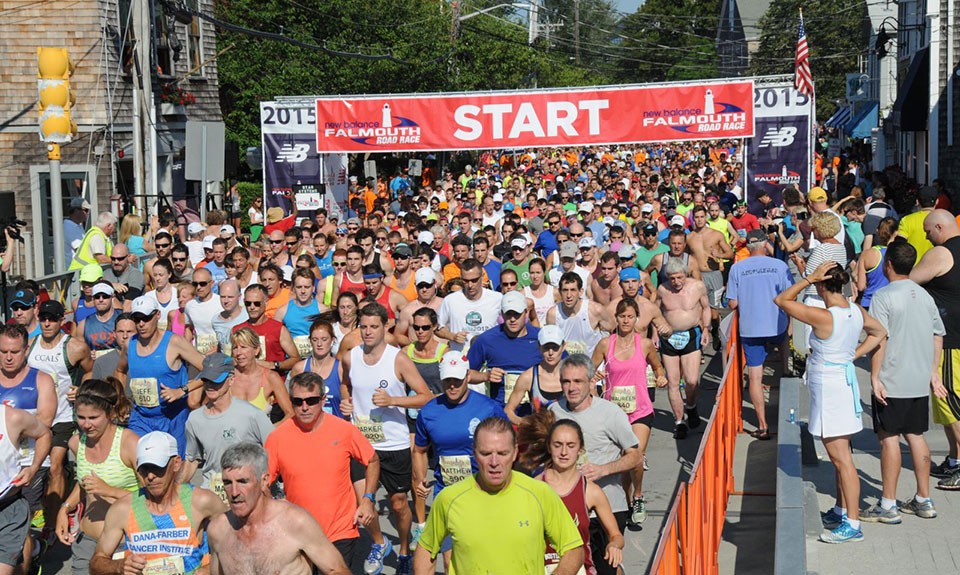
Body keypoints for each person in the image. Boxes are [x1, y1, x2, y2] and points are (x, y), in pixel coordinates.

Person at [775, 262, 886, 544]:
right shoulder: (855, 311)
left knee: (842, 460)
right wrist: (854, 353)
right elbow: (880, 332)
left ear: (821, 286)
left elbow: (781, 300)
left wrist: (807, 278)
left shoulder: (824, 316)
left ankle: (853, 523)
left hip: (830, 389)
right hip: (840, 385)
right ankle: (841, 510)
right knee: (841, 455)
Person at [413, 417, 584, 575]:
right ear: (474, 452)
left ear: (515, 452)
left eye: (502, 453)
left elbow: (573, 549)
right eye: (486, 453)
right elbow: (427, 548)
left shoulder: (540, 493)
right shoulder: (449, 498)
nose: (494, 463)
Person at [341, 303, 433, 574]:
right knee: (364, 501)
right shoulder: (350, 357)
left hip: (394, 443)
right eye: (364, 327)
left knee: (398, 503)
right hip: (361, 444)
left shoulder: (398, 359)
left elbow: (425, 397)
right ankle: (379, 543)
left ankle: (404, 550)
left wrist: (393, 400)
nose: (368, 332)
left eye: (373, 327)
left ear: (385, 327)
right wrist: (347, 402)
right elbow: (345, 383)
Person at [860, 241, 945, 522]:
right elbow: (937, 335)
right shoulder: (925, 296)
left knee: (889, 439)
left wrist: (874, 376)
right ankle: (924, 499)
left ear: (888, 265)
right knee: (916, 436)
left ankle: (888, 504)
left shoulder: (883, 296)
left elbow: (878, 338)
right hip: (919, 378)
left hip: (891, 378)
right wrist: (933, 371)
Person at [266, 372, 380, 570]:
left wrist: (368, 499)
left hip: (340, 530)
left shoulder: (344, 430)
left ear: (323, 400)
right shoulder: (277, 438)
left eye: (311, 400)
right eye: (297, 401)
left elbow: (372, 459)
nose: (304, 407)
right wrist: (272, 509)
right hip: (299, 533)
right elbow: (262, 482)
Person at [411, 351, 508, 569]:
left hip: (484, 493)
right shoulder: (429, 412)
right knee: (451, 561)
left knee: (483, 557)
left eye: (457, 379)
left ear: (467, 377)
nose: (452, 386)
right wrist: (419, 479)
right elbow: (419, 450)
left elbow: (508, 448)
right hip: (447, 494)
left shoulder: (489, 408)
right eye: (447, 381)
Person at [548, 354, 639, 574]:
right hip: (567, 508)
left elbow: (635, 456)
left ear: (591, 382)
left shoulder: (609, 413)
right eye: (566, 381)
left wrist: (603, 469)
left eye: (578, 381)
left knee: (605, 568)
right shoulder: (553, 412)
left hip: (607, 506)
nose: (571, 388)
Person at [89, 431, 226, 575]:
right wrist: (117, 566)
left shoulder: (202, 501)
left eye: (157, 467)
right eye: (144, 468)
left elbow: (237, 543)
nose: (150, 476)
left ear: (176, 463)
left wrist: (208, 570)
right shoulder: (123, 509)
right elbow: (96, 564)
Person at [207, 443, 350, 574]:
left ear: (264, 481)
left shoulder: (295, 522)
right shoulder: (218, 529)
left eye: (242, 481)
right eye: (227, 483)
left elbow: (337, 571)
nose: (234, 492)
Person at [519, 412, 625, 574]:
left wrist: (614, 546)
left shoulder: (590, 491)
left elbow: (616, 535)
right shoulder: (534, 489)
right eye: (557, 445)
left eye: (570, 445)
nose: (563, 452)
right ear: (549, 446)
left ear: (580, 449)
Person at [591, 298, 666, 527]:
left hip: (640, 409)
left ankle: (639, 496)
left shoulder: (644, 344)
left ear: (636, 319)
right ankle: (625, 502)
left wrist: (661, 376)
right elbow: (588, 371)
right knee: (624, 462)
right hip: (614, 412)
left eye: (630, 316)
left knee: (635, 455)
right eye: (622, 316)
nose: (626, 320)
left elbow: (657, 366)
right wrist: (594, 380)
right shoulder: (606, 344)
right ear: (616, 318)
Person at [56, 378, 139, 575]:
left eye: (93, 418)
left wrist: (110, 491)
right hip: (87, 541)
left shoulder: (130, 443)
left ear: (110, 413)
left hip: (123, 544)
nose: (86, 424)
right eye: (81, 417)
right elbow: (85, 483)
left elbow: (156, 495)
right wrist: (65, 508)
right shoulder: (77, 442)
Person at [27, 299, 93, 519]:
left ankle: (52, 523)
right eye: (43, 319)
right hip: (37, 417)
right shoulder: (30, 346)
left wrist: (81, 388)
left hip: (64, 416)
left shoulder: (74, 347)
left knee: (54, 466)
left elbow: (91, 372)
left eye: (52, 319)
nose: (47, 323)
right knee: (41, 467)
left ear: (61, 321)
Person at [726, 229, 795, 439]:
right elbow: (790, 295)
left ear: (748, 247)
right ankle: (785, 369)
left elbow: (732, 302)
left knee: (755, 377)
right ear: (766, 245)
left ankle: (763, 426)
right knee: (783, 340)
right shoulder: (779, 265)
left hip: (751, 328)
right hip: (777, 325)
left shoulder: (737, 268)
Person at [909, 210, 960, 487]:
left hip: (950, 341)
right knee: (946, 406)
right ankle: (954, 460)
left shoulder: (940, 254)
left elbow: (909, 281)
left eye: (929, 232)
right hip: (953, 338)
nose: (927, 237)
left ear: (940, 227)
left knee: (951, 402)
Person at [182, 353, 274, 504]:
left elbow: (274, 451)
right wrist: (175, 491)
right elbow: (192, 460)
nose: (210, 385)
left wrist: (264, 488)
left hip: (246, 497)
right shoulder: (194, 419)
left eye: (216, 380)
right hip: (213, 498)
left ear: (231, 380)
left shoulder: (252, 415)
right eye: (206, 380)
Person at [120, 296, 206, 456]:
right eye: (136, 319)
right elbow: (119, 371)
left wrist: (182, 390)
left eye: (146, 318)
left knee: (173, 471)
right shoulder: (129, 345)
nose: (141, 324)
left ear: (157, 315)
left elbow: (209, 369)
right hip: (141, 419)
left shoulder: (174, 342)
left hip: (173, 418)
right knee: (142, 467)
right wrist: (121, 399)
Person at [657, 259, 710, 438]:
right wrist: (654, 334)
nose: (677, 282)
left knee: (691, 380)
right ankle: (679, 422)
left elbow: (706, 307)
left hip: (691, 335)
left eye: (680, 278)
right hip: (668, 337)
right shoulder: (662, 290)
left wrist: (706, 329)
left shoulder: (698, 287)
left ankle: (691, 406)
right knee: (673, 382)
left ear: (686, 275)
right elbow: (655, 313)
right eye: (672, 279)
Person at [504, 325, 566, 425]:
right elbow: (508, 411)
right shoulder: (528, 377)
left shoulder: (573, 374)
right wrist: (526, 424)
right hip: (540, 437)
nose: (550, 353)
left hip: (567, 437)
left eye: (555, 348)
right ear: (539, 347)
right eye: (546, 348)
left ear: (563, 347)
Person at [436, 258, 503, 352]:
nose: (470, 285)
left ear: (482, 276)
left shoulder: (497, 298)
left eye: (474, 280)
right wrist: (452, 336)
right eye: (465, 281)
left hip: (490, 355)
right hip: (460, 357)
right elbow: (437, 327)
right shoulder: (450, 300)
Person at [228, 327, 294, 422]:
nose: (238, 352)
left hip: (262, 436)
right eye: (235, 348)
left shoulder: (271, 377)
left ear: (256, 350)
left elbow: (291, 413)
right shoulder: (228, 376)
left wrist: (269, 430)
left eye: (243, 347)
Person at [233, 284, 300, 373]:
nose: (252, 307)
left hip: (274, 382)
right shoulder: (237, 330)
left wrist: (273, 365)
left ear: (266, 302)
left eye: (257, 303)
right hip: (247, 382)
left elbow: (295, 359)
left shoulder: (279, 329)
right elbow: (231, 359)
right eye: (248, 303)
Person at [545, 272, 614, 357]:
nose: (569, 295)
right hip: (566, 364)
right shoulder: (553, 314)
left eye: (573, 290)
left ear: (581, 291)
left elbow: (610, 332)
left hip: (592, 365)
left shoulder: (595, 310)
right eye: (565, 290)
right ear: (559, 291)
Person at [275, 268, 327, 358]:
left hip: (316, 360)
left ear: (313, 288)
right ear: (293, 288)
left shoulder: (323, 311)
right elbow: (275, 339)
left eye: (307, 287)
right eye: (299, 287)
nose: (303, 291)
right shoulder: (282, 311)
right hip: (292, 362)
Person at [394, 268, 443, 347]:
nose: (424, 289)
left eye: (428, 285)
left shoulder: (445, 305)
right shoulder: (408, 310)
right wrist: (413, 346)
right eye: (420, 286)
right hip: (417, 355)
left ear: (435, 283)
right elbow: (398, 335)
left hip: (441, 354)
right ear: (415, 285)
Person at [184, 268, 225, 355]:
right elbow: (188, 328)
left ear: (212, 283)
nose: (198, 287)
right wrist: (188, 349)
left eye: (203, 284)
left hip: (219, 354)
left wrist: (217, 348)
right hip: (197, 354)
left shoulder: (221, 303)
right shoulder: (190, 305)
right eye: (195, 284)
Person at [78, 282, 122, 357]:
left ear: (112, 297)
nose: (101, 300)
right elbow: (79, 350)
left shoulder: (122, 318)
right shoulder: (84, 323)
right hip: (96, 365)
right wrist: (87, 355)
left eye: (105, 296)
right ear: (93, 299)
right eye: (97, 297)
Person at [142, 258, 179, 332]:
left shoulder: (178, 294)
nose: (158, 278)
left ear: (169, 274)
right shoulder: (148, 296)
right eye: (155, 275)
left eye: (161, 275)